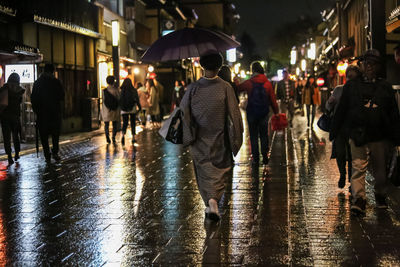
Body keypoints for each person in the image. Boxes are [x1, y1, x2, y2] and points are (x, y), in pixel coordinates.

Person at [330, 49, 400, 214]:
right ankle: (359, 199)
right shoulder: (351, 86)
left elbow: (393, 113)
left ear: (378, 67)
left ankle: (380, 194)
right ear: (362, 65)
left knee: (380, 171)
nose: (369, 67)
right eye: (367, 63)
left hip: (379, 135)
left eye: (373, 64)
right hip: (358, 133)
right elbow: (342, 109)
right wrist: (335, 131)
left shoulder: (385, 87)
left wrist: (396, 136)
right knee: (358, 167)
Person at [180, 52, 243, 222]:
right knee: (219, 170)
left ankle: (210, 202)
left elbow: (183, 111)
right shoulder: (225, 87)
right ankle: (214, 201)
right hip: (219, 137)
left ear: (202, 66)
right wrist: (237, 135)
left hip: (199, 137)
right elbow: (234, 114)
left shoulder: (193, 88)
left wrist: (189, 131)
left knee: (203, 170)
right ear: (219, 66)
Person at [326, 65, 362, 189]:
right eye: (348, 77)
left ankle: (352, 181)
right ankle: (342, 174)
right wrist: (330, 103)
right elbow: (328, 107)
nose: (350, 79)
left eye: (353, 77)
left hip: (354, 127)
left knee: (353, 155)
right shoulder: (339, 89)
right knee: (340, 153)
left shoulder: (360, 90)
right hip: (340, 127)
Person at [236, 61, 279, 165]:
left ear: (253, 70)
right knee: (264, 134)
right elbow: (273, 99)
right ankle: (264, 155)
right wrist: (276, 112)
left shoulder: (249, 82)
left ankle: (255, 158)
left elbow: (238, 88)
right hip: (264, 113)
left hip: (251, 113)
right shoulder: (267, 83)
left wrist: (236, 82)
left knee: (253, 135)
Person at [31, 64, 65, 163]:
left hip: (42, 114)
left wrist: (37, 111)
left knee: (44, 136)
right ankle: (55, 152)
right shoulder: (56, 82)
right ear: (52, 71)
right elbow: (62, 96)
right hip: (54, 113)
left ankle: (47, 154)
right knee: (55, 135)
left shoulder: (37, 83)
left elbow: (33, 98)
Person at [0, 73, 25, 165]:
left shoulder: (4, 89)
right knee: (16, 136)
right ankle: (17, 153)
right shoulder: (19, 90)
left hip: (5, 116)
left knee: (7, 137)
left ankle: (9, 156)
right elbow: (19, 102)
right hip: (15, 116)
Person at [120, 78, 141, 145]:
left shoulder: (122, 90)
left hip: (124, 109)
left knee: (125, 123)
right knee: (133, 123)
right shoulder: (134, 90)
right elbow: (137, 99)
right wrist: (139, 107)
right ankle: (133, 137)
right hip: (132, 108)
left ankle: (123, 135)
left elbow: (120, 100)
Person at [101, 75, 120, 144]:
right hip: (114, 110)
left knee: (106, 125)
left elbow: (103, 100)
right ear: (113, 82)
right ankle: (113, 137)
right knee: (114, 124)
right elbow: (119, 99)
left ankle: (107, 137)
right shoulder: (116, 90)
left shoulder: (104, 91)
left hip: (106, 110)